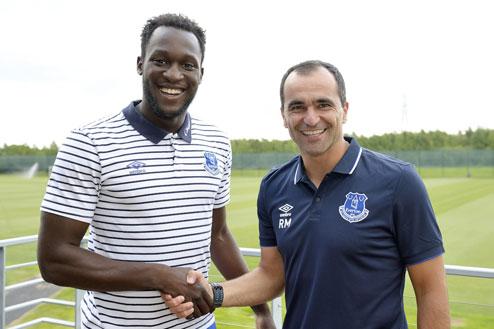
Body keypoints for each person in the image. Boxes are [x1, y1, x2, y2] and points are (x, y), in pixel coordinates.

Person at [164, 60, 451, 328]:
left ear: (345, 109)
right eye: (297, 107)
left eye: (323, 104)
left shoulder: (399, 181)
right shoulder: (274, 186)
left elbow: (431, 290)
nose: (310, 118)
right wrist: (209, 293)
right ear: (284, 116)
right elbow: (272, 275)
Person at [37, 13, 275, 329]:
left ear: (201, 73)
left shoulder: (216, 142)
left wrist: (261, 310)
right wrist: (160, 276)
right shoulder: (90, 142)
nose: (174, 74)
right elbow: (54, 259)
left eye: (187, 65)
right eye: (161, 60)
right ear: (141, 64)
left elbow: (217, 235)